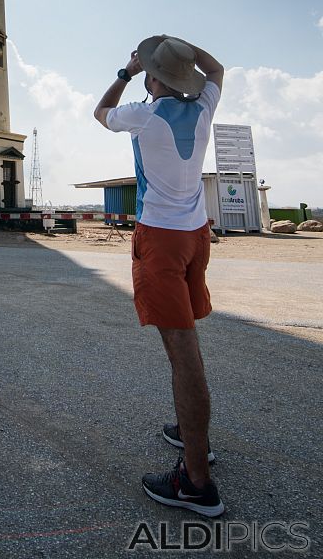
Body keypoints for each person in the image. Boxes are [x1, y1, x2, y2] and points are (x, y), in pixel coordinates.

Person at [94, 35, 225, 518]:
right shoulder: (204, 106)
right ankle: (193, 436)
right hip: (196, 235)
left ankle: (196, 481)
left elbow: (100, 112)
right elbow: (217, 70)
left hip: (162, 239)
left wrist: (125, 71)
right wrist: (182, 48)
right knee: (186, 345)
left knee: (183, 355)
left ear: (154, 78)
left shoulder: (144, 114)